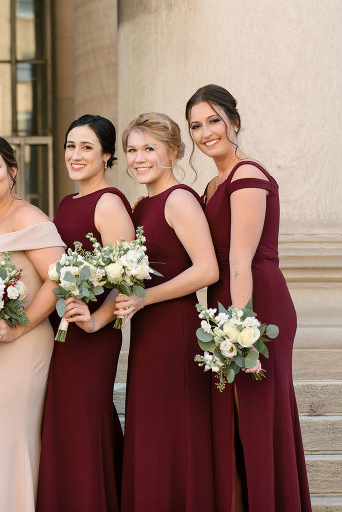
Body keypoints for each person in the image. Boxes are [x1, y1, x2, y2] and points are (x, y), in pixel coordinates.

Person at [186, 84, 311, 512]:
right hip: (225, 306)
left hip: (257, 306)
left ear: (234, 122)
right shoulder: (210, 184)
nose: (205, 133)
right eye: (196, 126)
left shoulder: (248, 175)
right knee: (234, 423)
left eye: (213, 121)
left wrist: (242, 331)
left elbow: (240, 259)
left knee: (257, 422)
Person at [112, 112, 219, 511]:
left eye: (149, 149)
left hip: (175, 331)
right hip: (148, 334)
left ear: (172, 152)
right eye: (132, 150)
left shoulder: (179, 199)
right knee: (152, 433)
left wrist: (145, 299)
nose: (138, 158)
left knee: (173, 432)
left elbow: (207, 269)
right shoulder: (142, 204)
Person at [0, 134, 65, 511]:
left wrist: (17, 327)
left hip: (20, 347)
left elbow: (60, 278)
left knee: (8, 442)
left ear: (12, 171)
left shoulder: (28, 216)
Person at [36, 115, 134, 512]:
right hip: (63, 331)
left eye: (87, 147)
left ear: (107, 155)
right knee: (68, 424)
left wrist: (97, 320)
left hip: (92, 334)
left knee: (82, 423)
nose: (75, 155)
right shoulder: (67, 202)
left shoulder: (109, 203)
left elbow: (129, 279)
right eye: (70, 146)